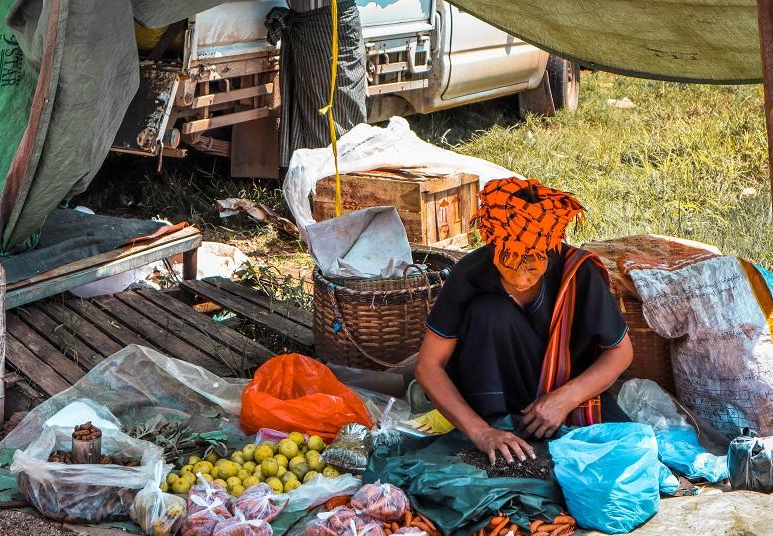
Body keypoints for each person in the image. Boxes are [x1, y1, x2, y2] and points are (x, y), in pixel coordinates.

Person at [415, 177, 634, 465]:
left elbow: (621, 352)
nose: (520, 278)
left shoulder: (578, 272)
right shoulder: (469, 274)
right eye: (508, 259)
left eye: (531, 264)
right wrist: (481, 432)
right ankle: (500, 427)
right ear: (494, 246)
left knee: (618, 454)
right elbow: (428, 366)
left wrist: (564, 399)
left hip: (565, 390)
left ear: (549, 249)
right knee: (488, 311)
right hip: (491, 398)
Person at [266, 0, 368, 171]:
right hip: (310, 28)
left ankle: (338, 173)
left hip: (334, 27)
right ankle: (314, 174)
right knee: (310, 106)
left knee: (338, 107)